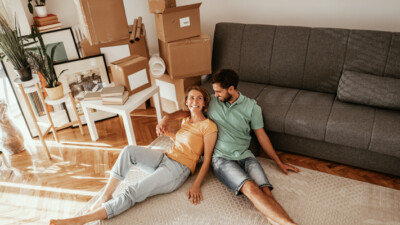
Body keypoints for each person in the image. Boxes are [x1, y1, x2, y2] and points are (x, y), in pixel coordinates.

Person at [50, 86, 218, 225]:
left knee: (132, 191)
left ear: (205, 103)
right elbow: (183, 140)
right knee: (129, 151)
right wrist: (168, 132)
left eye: (198, 98)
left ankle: (80, 220)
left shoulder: (209, 126)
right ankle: (106, 195)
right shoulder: (186, 119)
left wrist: (196, 185)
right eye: (191, 98)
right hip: (166, 157)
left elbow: (207, 158)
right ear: (187, 101)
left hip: (178, 169)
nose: (194, 101)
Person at [157, 69, 300, 225]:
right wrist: (167, 117)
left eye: (219, 92)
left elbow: (261, 136)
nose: (215, 95)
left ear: (231, 89)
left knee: (267, 193)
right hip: (222, 159)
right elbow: (187, 112)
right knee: (251, 188)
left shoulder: (252, 107)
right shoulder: (211, 101)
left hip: (245, 155)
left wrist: (278, 162)